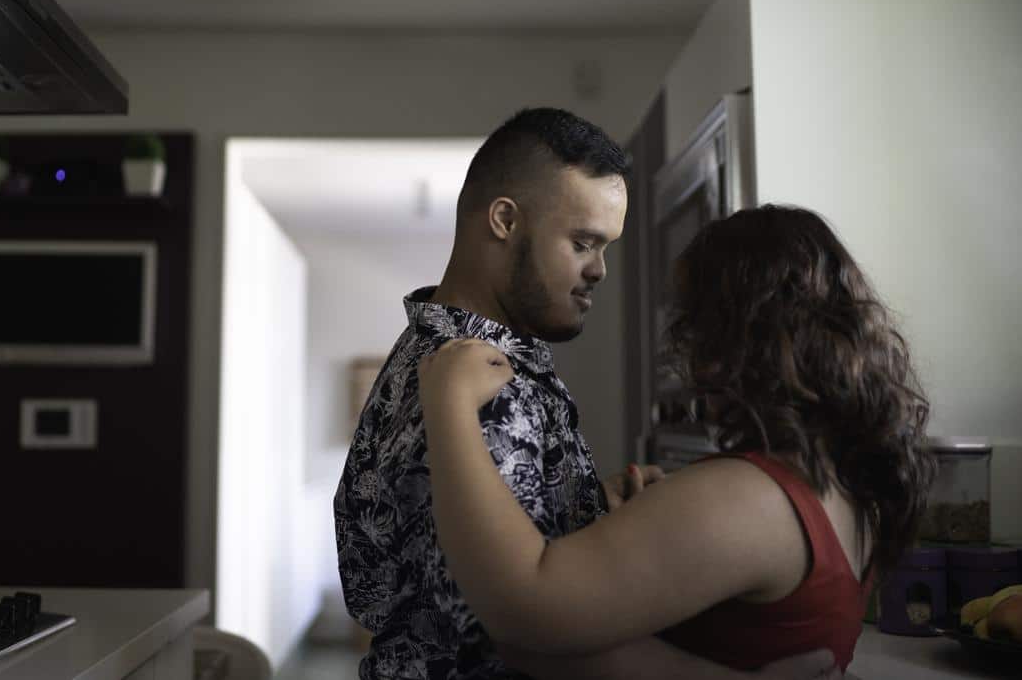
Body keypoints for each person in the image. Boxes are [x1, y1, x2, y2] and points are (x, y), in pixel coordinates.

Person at [334, 109, 844, 680]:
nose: (600, 270)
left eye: (605, 247)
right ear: (504, 220)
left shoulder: (424, 348)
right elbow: (527, 637)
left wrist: (583, 508)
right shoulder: (485, 385)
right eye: (583, 242)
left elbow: (383, 581)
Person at [417, 204, 937, 677]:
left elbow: (523, 610)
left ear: (728, 333)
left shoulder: (748, 498)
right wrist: (637, 533)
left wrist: (448, 406)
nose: (681, 345)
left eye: (687, 319)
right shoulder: (843, 479)